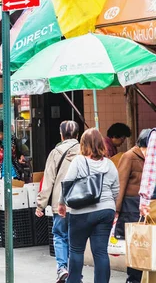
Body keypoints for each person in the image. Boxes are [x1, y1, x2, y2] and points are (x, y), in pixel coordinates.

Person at [58, 128, 119, 283]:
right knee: (100, 253)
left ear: (83, 144)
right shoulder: (110, 164)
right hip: (106, 210)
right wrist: (111, 207)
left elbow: (67, 183)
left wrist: (61, 204)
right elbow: (116, 190)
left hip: (81, 212)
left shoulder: (79, 161)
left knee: (76, 251)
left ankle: (74, 281)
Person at [35, 120, 80, 283]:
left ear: (61, 135)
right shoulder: (85, 151)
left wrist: (40, 204)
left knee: (60, 235)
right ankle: (76, 273)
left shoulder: (56, 152)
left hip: (60, 204)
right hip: (82, 204)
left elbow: (48, 180)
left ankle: (62, 268)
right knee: (76, 239)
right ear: (77, 135)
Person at [115, 129, 151, 283]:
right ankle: (133, 279)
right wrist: (116, 210)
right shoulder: (129, 156)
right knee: (135, 245)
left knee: (146, 245)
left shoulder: (151, 159)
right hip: (130, 207)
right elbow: (120, 183)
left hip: (147, 208)